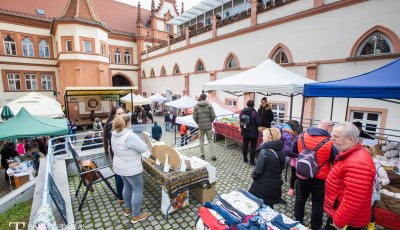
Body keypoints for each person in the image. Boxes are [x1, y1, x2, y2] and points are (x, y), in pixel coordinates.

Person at [324, 122, 376, 230]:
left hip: (347, 220)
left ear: (350, 139)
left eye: (336, 136)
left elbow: (353, 200)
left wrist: (338, 222)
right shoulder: (347, 152)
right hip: (339, 212)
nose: (331, 139)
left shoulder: (358, 164)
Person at [292, 119, 337, 230]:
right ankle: (315, 226)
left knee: (300, 198)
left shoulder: (301, 136)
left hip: (302, 174)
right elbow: (335, 160)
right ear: (329, 127)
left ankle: (298, 220)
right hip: (320, 178)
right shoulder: (330, 142)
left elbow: (294, 150)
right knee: (317, 203)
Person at [111, 114, 148, 224]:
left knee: (126, 186)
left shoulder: (114, 134)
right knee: (137, 189)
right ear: (128, 123)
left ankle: (128, 209)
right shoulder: (129, 136)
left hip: (120, 167)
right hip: (131, 168)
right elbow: (143, 148)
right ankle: (136, 215)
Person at [248, 128, 285, 208]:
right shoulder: (282, 150)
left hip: (263, 186)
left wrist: (253, 176)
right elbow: (282, 166)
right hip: (275, 184)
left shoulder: (264, 152)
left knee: (256, 205)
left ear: (270, 139)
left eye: (264, 136)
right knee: (269, 206)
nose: (262, 138)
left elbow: (258, 170)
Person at [362, 145, 390, 230]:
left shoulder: (377, 166)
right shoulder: (359, 162)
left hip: (372, 195)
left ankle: (371, 228)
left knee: (370, 213)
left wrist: (380, 181)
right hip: (360, 193)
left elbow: (387, 180)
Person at [103, 106, 125, 204]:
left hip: (116, 152)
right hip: (116, 152)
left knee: (118, 173)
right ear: (114, 114)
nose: (121, 115)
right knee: (119, 175)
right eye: (119, 114)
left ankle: (121, 193)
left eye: (122, 113)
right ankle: (120, 196)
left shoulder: (113, 123)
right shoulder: (111, 125)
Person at [274, 120, 300, 196]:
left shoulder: (280, 128)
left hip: (273, 153)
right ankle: (277, 195)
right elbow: (288, 151)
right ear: (294, 127)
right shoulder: (289, 134)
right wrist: (298, 155)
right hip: (280, 156)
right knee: (278, 176)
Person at [193, 93, 217, 161]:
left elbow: (194, 117)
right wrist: (210, 122)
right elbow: (213, 115)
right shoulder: (209, 105)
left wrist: (198, 122)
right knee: (211, 140)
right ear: (206, 98)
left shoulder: (196, 106)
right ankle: (212, 155)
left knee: (201, 141)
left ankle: (202, 155)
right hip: (208, 127)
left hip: (201, 127)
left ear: (200, 97)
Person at [240, 100, 262, 165]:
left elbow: (240, 119)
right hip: (253, 133)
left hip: (245, 132)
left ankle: (245, 159)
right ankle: (252, 161)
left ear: (247, 104)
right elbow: (259, 123)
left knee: (245, 145)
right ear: (253, 105)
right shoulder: (254, 113)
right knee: (253, 147)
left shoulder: (242, 111)